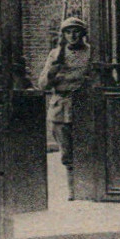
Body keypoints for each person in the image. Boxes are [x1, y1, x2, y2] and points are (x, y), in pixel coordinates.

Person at [39, 16, 92, 200]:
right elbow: (43, 85)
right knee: (67, 152)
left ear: (83, 33)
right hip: (60, 108)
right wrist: (54, 70)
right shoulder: (55, 54)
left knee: (86, 149)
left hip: (83, 106)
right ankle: (72, 190)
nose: (72, 35)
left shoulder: (91, 53)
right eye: (68, 32)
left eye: (76, 31)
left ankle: (86, 188)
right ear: (63, 34)